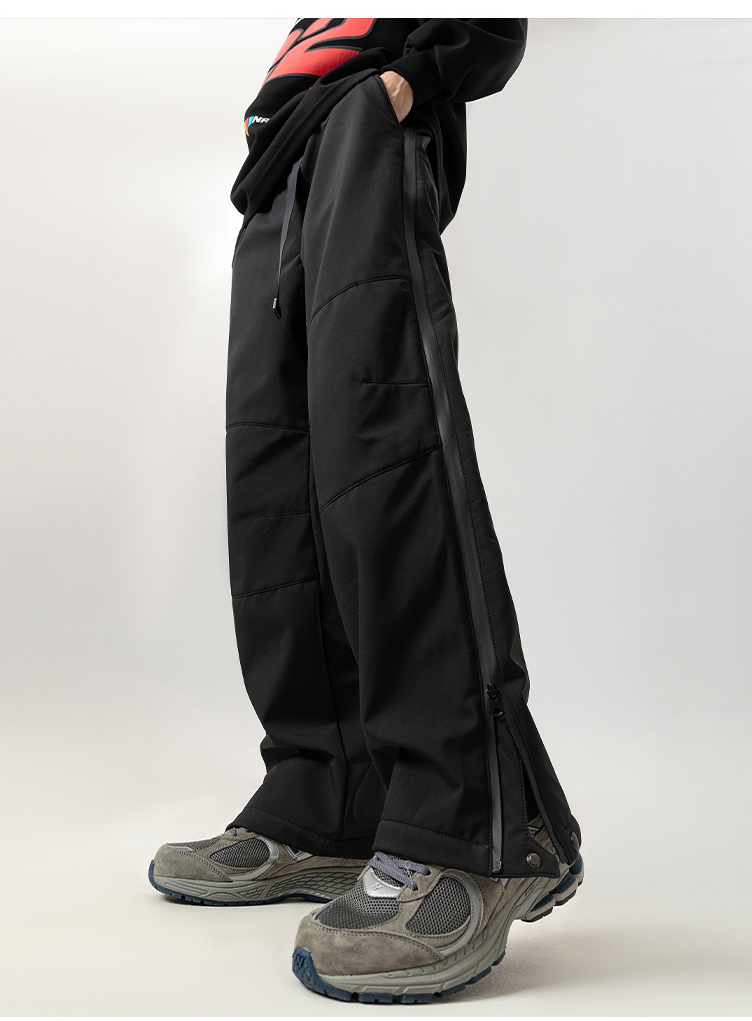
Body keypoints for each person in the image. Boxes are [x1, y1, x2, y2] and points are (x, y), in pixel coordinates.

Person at [149, 18, 583, 1003]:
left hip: (363, 120)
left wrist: (410, 82)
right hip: (279, 163)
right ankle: (325, 797)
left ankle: (474, 830)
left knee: (385, 459)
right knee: (281, 490)